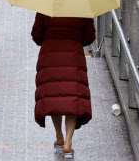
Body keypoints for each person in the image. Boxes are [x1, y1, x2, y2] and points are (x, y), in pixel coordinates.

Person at [31, 12, 96, 159]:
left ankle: (59, 136)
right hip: (73, 55)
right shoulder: (82, 7)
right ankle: (68, 143)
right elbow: (89, 37)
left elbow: (36, 35)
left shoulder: (46, 6)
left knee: (55, 96)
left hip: (50, 54)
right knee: (72, 98)